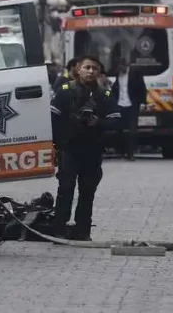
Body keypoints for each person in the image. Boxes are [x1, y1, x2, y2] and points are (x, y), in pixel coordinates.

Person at [50, 55, 119, 240]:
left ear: (99, 72)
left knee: (87, 191)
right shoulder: (65, 91)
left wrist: (99, 122)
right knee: (66, 188)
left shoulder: (104, 94)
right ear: (78, 69)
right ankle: (59, 229)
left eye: (94, 68)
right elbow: (53, 119)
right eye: (87, 67)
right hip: (69, 149)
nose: (90, 71)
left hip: (92, 150)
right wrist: (56, 145)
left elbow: (116, 120)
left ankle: (83, 230)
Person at [111, 57, 147, 161]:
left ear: (126, 66)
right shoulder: (118, 74)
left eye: (121, 68)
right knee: (118, 129)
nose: (120, 70)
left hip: (132, 105)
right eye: (118, 68)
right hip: (120, 105)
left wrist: (143, 103)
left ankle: (130, 153)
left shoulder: (135, 73)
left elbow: (142, 88)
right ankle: (121, 150)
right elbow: (114, 89)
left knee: (132, 130)